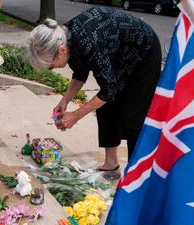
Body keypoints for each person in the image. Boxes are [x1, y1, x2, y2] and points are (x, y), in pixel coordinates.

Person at [28, 6, 161, 171]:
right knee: (105, 107)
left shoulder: (88, 42)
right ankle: (111, 163)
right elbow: (80, 72)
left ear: (61, 51)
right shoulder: (65, 38)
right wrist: (65, 101)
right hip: (119, 57)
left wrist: (75, 116)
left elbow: (108, 89)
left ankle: (136, 175)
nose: (52, 69)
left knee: (134, 118)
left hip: (144, 53)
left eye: (50, 66)